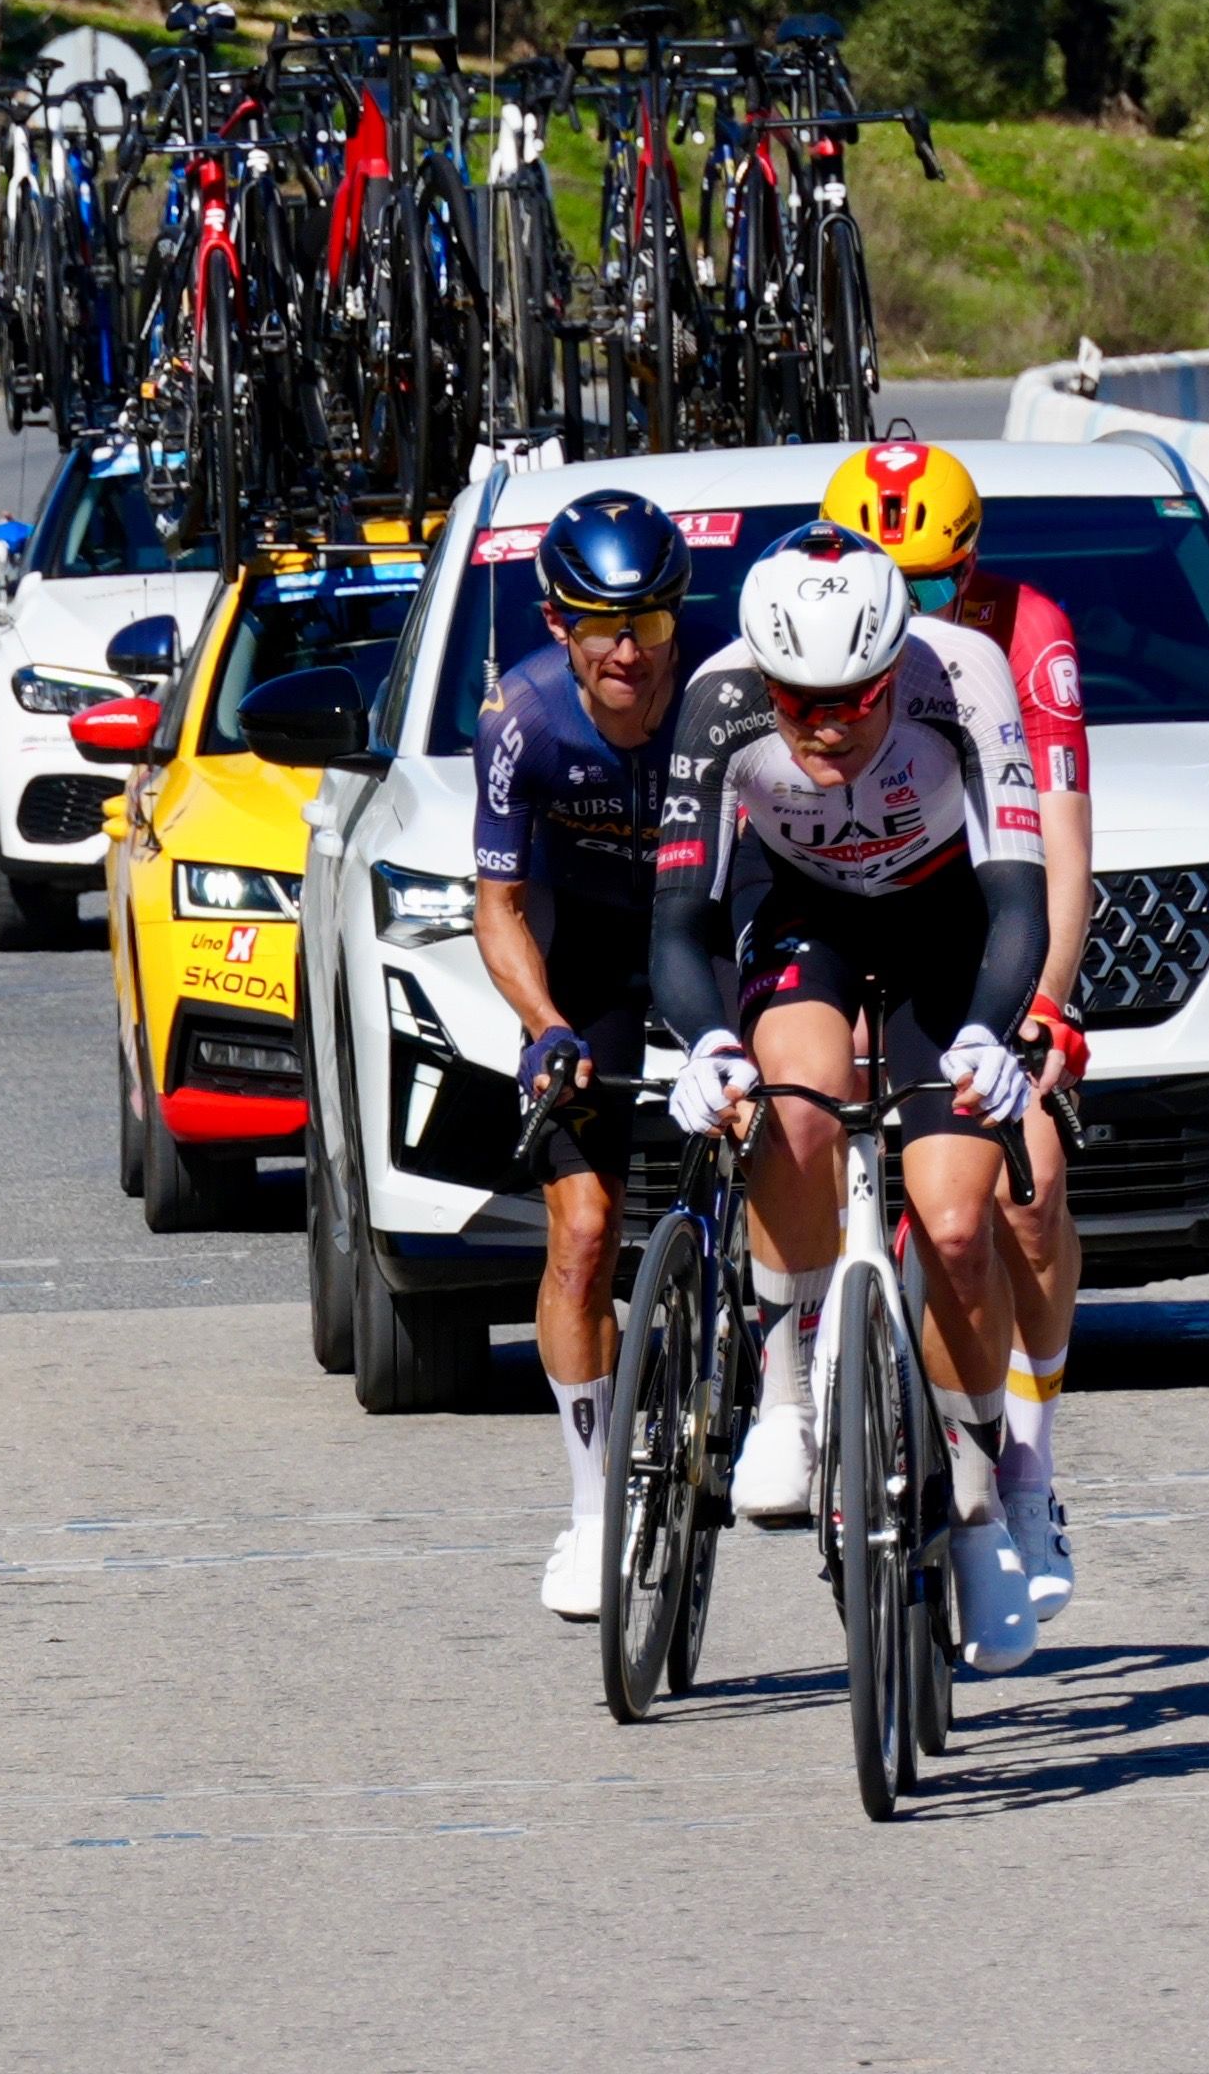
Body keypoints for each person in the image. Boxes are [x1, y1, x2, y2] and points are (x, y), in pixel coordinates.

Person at [653, 522, 1054, 1673]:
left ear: (894, 667)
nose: (826, 724)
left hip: (943, 920)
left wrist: (992, 1026)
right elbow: (679, 927)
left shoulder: (960, 677)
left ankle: (978, 1515)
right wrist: (708, 1041)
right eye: (799, 701)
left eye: (855, 698)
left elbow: (1018, 897)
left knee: (963, 1222)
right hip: (800, 912)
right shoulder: (720, 701)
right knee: (796, 1101)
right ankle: (784, 1399)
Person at [819, 439, 1096, 1622]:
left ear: (970, 568)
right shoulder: (810, 616)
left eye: (933, 586)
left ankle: (1024, 1466)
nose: (912, 608)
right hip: (837, 901)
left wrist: (1040, 1012)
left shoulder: (1023, 632)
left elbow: (1063, 841)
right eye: (892, 582)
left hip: (981, 912)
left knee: (1024, 1194)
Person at [473, 492, 692, 1622]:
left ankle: (794, 1394)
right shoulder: (522, 715)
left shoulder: (721, 693)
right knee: (587, 1229)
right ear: (560, 623)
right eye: (601, 627)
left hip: (709, 929)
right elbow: (498, 906)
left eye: (651, 625)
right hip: (590, 953)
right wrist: (545, 1023)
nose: (627, 653)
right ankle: (593, 1501)